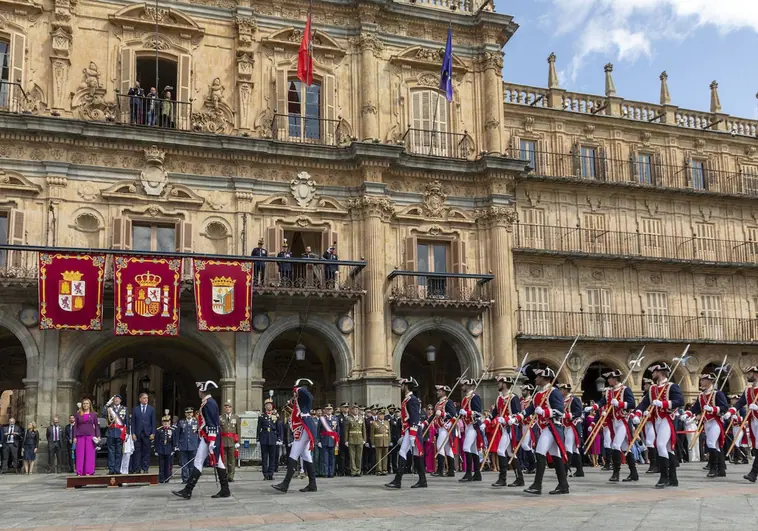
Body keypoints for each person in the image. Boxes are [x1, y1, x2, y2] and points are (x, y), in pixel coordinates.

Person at [172, 380, 231, 499]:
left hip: (210, 437)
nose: (198, 392)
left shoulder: (209, 403)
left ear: (202, 391)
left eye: (199, 390)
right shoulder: (208, 402)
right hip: (208, 436)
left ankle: (188, 490)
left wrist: (212, 441)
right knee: (213, 461)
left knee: (204, 461)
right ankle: (224, 489)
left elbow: (212, 423)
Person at [633, 362, 685, 489]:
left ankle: (664, 477)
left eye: (654, 372)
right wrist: (637, 413)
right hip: (657, 421)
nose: (652, 374)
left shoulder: (672, 387)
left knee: (660, 445)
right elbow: (644, 402)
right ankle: (673, 478)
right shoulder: (652, 389)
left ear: (660, 372)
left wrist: (664, 404)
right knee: (667, 448)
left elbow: (680, 401)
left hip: (667, 419)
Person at [519, 367, 569, 496]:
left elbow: (560, 411)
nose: (536, 379)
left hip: (552, 426)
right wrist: (517, 417)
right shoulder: (538, 394)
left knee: (540, 452)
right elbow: (530, 409)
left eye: (538, 377)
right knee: (555, 456)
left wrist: (545, 412)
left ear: (544, 378)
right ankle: (563, 485)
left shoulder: (554, 392)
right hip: (544, 427)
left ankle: (537, 485)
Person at [273, 378, 319, 493]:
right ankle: (312, 484)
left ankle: (285, 484)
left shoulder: (306, 396)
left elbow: (304, 393)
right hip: (302, 428)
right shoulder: (299, 400)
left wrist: (297, 388)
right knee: (306, 456)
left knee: (293, 454)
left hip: (304, 427)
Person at [593, 369, 637, 483]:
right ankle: (634, 473)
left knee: (616, 445)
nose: (608, 380)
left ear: (615, 379)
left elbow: (632, 403)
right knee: (625, 447)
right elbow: (602, 401)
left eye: (610, 378)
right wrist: (594, 407)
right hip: (613, 421)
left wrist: (620, 404)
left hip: (623, 420)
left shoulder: (625, 390)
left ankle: (616, 473)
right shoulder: (608, 391)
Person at [683, 372, 728, 478]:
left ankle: (713, 468)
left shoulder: (717, 393)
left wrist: (713, 409)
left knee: (711, 443)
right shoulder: (701, 395)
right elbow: (696, 408)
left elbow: (724, 407)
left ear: (709, 381)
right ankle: (721, 469)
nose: (701, 381)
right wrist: (687, 414)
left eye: (703, 380)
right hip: (706, 423)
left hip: (715, 421)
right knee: (715, 445)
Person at [386, 377, 426, 489]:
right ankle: (422, 480)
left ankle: (398, 480)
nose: (401, 387)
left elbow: (414, 418)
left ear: (407, 386)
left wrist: (412, 434)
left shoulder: (412, 399)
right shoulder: (408, 399)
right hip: (409, 430)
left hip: (413, 430)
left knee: (403, 452)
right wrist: (404, 434)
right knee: (416, 455)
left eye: (403, 385)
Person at [485, 376, 524, 487]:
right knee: (511, 453)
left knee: (501, 451)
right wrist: (487, 421)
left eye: (500, 382)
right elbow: (495, 412)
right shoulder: (499, 398)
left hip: (510, 428)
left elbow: (517, 415)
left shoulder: (513, 398)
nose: (498, 384)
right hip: (503, 428)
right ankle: (519, 478)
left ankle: (503, 479)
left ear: (505, 384)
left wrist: (506, 419)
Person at [725, 365, 758, 483]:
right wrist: (730, 412)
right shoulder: (748, 390)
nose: (747, 376)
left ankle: (753, 473)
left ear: (755, 374)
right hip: (753, 421)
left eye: (749, 373)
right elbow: (739, 403)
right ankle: (753, 473)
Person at [458, 378, 484, 482]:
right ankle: (477, 474)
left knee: (466, 447)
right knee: (473, 450)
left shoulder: (475, 397)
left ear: (468, 385)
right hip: (467, 426)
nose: (462, 387)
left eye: (464, 385)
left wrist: (467, 413)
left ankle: (468, 473)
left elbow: (478, 413)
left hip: (473, 426)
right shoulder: (465, 398)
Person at [430, 384, 457, 478]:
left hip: (446, 427)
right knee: (448, 449)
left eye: (439, 391)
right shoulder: (438, 403)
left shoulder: (448, 402)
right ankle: (451, 470)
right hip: (440, 427)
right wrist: (426, 422)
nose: (437, 392)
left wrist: (442, 414)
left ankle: (440, 470)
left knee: (439, 446)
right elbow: (434, 416)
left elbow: (454, 415)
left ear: (444, 392)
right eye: (437, 391)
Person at [558, 383, 584, 478]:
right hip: (565, 425)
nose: (559, 391)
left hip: (573, 425)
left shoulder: (574, 399)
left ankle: (565, 469)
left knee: (568, 446)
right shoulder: (562, 400)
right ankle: (579, 470)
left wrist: (568, 415)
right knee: (574, 449)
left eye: (560, 389)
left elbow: (578, 412)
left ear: (565, 390)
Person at [73, 399, 100, 476]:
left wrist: (98, 435)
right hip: (80, 436)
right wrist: (74, 437)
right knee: (80, 455)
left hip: (90, 436)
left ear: (89, 405)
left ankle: (89, 471)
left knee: (90, 454)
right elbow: (75, 426)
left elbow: (97, 426)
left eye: (87, 403)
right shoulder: (78, 414)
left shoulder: (94, 414)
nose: (85, 405)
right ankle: (79, 472)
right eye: (84, 404)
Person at [103, 394, 128, 475]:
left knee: (119, 452)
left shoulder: (125, 409)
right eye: (115, 399)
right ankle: (111, 469)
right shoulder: (110, 409)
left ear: (120, 400)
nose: (116, 400)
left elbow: (127, 421)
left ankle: (117, 469)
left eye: (118, 399)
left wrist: (127, 433)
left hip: (120, 432)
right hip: (111, 432)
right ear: (113, 400)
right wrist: (107, 404)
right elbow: (103, 413)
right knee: (111, 452)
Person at [257, 398, 281, 480]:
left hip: (273, 438)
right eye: (267, 405)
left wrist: (279, 438)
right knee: (264, 457)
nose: (269, 406)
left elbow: (278, 428)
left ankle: (271, 473)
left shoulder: (275, 416)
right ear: (265, 406)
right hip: (264, 438)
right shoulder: (262, 416)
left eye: (270, 405)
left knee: (272, 457)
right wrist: (257, 438)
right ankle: (265, 473)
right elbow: (258, 427)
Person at [132, 393, 155, 474]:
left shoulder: (151, 409)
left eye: (147, 398)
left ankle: (145, 468)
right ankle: (137, 468)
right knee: (137, 452)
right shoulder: (135, 409)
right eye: (144, 398)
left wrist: (153, 433)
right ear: (140, 399)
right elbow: (133, 422)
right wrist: (133, 433)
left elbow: (153, 422)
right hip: (138, 433)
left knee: (146, 451)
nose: (146, 399)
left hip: (147, 433)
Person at [175, 407, 199, 484]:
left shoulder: (196, 422)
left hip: (193, 445)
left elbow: (200, 434)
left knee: (192, 464)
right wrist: (177, 444)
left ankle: (192, 478)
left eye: (190, 412)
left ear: (192, 413)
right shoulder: (181, 422)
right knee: (184, 463)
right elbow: (177, 434)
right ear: (185, 414)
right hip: (183, 445)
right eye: (187, 413)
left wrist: (199, 444)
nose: (189, 414)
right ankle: (185, 478)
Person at [640, 378, 658, 474]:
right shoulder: (646, 396)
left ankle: (654, 464)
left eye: (646, 385)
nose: (644, 386)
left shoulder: (655, 395)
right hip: (646, 420)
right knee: (648, 442)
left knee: (651, 442)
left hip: (652, 421)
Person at [220, 400, 239, 482]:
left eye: (229, 407)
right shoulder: (220, 418)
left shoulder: (236, 417)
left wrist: (238, 442)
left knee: (231, 460)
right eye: (226, 407)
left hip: (232, 441)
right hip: (223, 441)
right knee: (224, 460)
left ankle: (231, 476)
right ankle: (225, 475)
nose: (227, 408)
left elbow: (238, 430)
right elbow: (219, 430)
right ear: (224, 408)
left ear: (231, 408)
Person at [318, 404, 339, 478]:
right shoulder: (322, 419)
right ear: (324, 410)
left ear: (332, 410)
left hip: (333, 441)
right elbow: (318, 431)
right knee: (325, 459)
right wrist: (318, 441)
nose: (329, 410)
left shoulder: (335, 418)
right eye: (327, 409)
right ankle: (325, 473)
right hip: (324, 440)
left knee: (332, 458)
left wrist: (337, 441)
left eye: (330, 409)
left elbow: (337, 431)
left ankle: (331, 473)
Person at [155, 412, 176, 484]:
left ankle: (167, 477)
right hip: (161, 449)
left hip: (169, 449)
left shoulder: (172, 430)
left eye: (167, 422)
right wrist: (156, 450)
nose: (166, 424)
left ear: (169, 422)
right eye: (164, 423)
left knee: (168, 464)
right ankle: (161, 478)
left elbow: (174, 440)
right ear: (162, 423)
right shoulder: (159, 430)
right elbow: (156, 441)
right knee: (161, 464)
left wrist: (173, 449)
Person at [346, 403, 365, 477]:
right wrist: (346, 440)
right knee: (352, 456)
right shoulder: (348, 418)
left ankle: (358, 471)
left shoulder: (361, 418)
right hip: (351, 439)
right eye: (354, 409)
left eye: (357, 409)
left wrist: (364, 439)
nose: (356, 411)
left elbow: (364, 429)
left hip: (360, 438)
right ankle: (353, 471)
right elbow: (346, 430)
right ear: (351, 410)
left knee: (359, 456)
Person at [372, 409, 390, 476]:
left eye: (383, 414)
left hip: (385, 441)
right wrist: (373, 442)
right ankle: (378, 470)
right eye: (380, 414)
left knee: (385, 456)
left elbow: (389, 433)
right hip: (378, 441)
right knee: (378, 456)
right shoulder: (374, 422)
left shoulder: (386, 422)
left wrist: (389, 441)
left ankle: (384, 470)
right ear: (378, 415)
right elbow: (372, 433)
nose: (382, 416)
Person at [336, 402, 349, 476]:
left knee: (348, 456)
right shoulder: (338, 417)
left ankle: (347, 470)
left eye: (347, 407)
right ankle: (341, 471)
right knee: (341, 456)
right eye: (344, 407)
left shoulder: (350, 417)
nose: (346, 408)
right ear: (341, 408)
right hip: (341, 439)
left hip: (349, 439)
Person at [388, 405, 401, 475]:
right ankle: (394, 468)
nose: (397, 413)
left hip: (400, 439)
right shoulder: (391, 420)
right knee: (394, 455)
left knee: (401, 454)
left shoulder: (402, 420)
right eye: (396, 412)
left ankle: (401, 467)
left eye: (398, 412)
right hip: (393, 439)